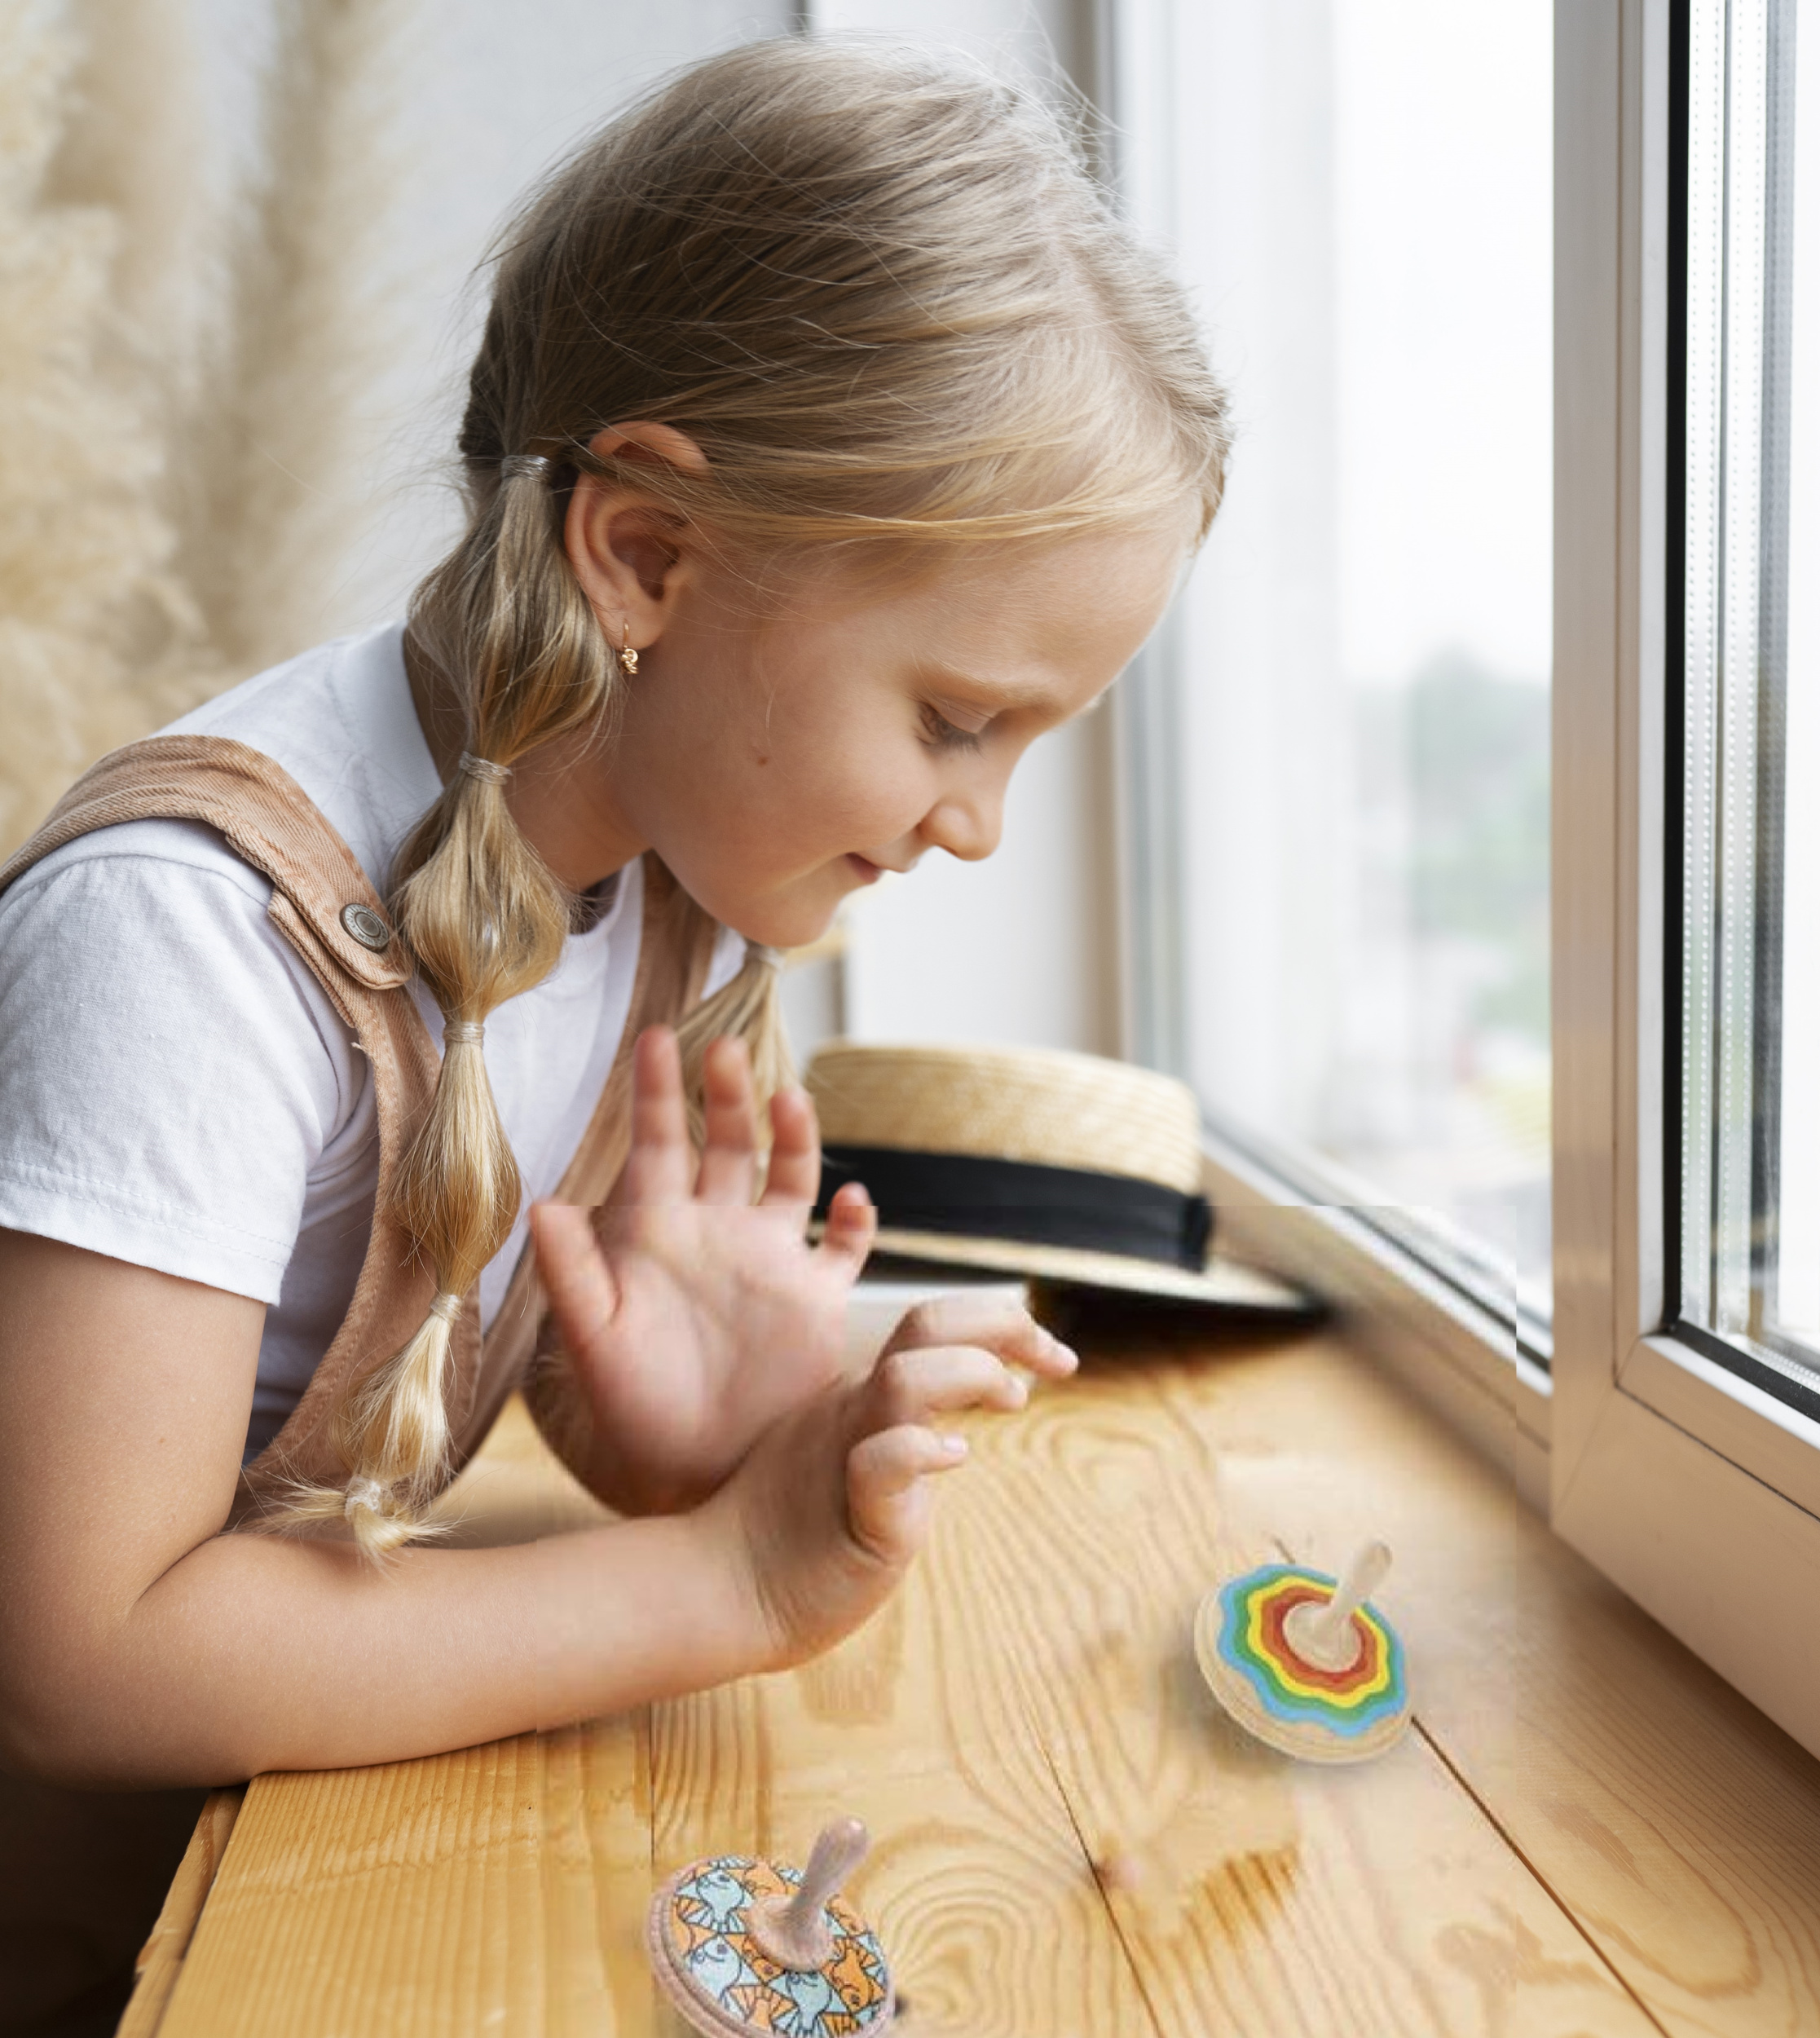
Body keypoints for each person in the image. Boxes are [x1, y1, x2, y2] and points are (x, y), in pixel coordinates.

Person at [0, 35, 1227, 2028]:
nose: (976, 822)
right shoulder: (190, 938)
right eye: (954, 716)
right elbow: (78, 1655)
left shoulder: (637, 882)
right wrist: (720, 1580)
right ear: (646, 554)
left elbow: (336, 1381)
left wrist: (637, 1422)